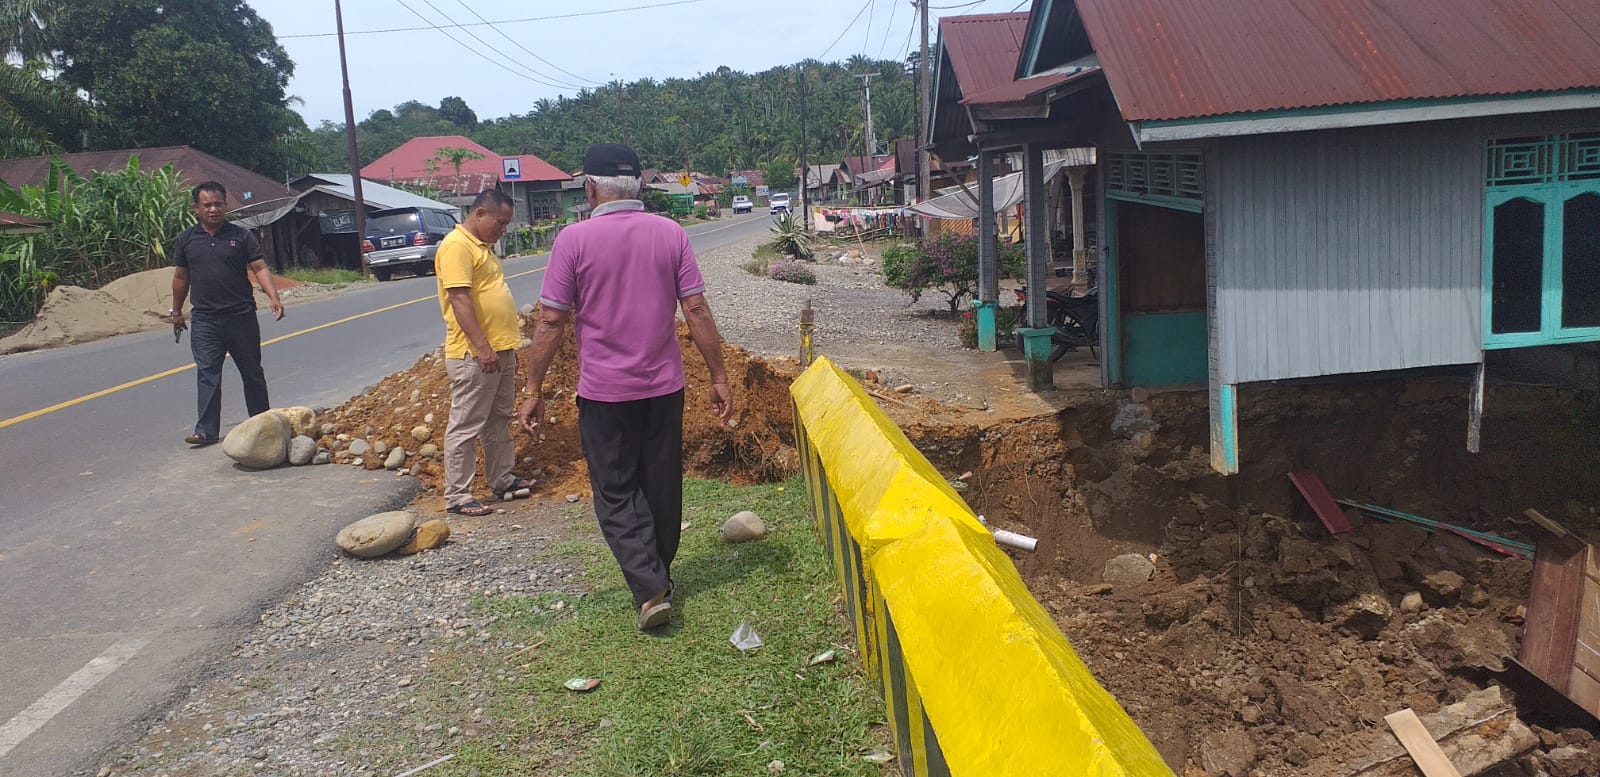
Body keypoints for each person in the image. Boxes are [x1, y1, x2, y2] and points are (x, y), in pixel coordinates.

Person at [519, 143, 733, 631]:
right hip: (664, 387)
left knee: (615, 490)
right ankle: (657, 574)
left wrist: (533, 386)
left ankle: (649, 585)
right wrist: (719, 376)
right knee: (660, 484)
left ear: (590, 188)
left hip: (604, 393)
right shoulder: (670, 233)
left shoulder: (572, 241)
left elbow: (552, 321)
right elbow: (695, 309)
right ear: (638, 186)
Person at [437, 188, 536, 517]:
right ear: (480, 214)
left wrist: (505, 346)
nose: (503, 229)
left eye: (506, 224)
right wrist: (482, 347)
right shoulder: (456, 247)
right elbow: (460, 299)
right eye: (500, 222)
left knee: (498, 420)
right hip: (474, 355)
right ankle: (458, 495)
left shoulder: (483, 248)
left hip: (500, 351)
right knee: (466, 425)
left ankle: (502, 479)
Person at [169, 181, 283, 446]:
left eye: (218, 204)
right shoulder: (186, 240)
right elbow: (180, 277)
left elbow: (259, 267)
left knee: (251, 371)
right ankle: (206, 431)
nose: (213, 209)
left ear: (226, 205)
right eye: (206, 205)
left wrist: (273, 297)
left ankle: (262, 422)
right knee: (207, 373)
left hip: (240, 316)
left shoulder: (241, 236)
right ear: (195, 208)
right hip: (205, 320)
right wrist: (176, 311)